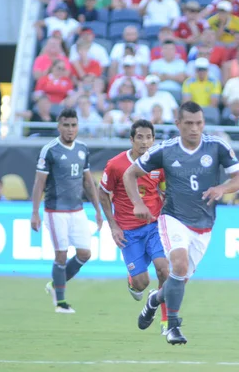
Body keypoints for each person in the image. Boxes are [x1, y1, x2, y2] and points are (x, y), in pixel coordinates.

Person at [122, 101, 239, 345]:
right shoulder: (165, 150)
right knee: (177, 266)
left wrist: (221, 188)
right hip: (173, 218)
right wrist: (138, 203)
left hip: (204, 225)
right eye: (188, 123)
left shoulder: (218, 146)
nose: (194, 128)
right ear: (178, 124)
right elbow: (130, 174)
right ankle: (173, 327)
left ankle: (153, 301)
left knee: (177, 282)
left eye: (199, 123)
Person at [98, 120, 170, 334]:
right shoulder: (116, 165)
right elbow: (103, 194)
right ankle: (134, 282)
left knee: (164, 270)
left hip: (154, 226)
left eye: (149, 137)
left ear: (154, 139)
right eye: (140, 137)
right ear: (131, 140)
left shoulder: (159, 164)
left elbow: (165, 192)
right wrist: (113, 226)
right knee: (141, 283)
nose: (145, 142)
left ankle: (166, 320)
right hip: (128, 231)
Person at [30, 108, 103, 314]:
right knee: (61, 255)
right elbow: (39, 182)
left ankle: (55, 284)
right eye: (66, 125)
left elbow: (88, 182)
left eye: (73, 125)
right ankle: (60, 303)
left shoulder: (82, 149)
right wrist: (35, 212)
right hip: (55, 211)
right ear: (59, 126)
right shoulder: (50, 150)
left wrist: (98, 210)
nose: (70, 129)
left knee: (85, 253)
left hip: (77, 209)